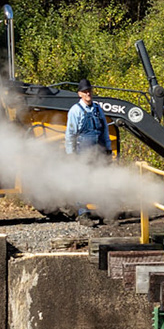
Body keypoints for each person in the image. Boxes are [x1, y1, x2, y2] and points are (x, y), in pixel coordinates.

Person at [64, 79, 111, 222]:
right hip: (83, 152)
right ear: (79, 94)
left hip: (100, 152)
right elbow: (70, 134)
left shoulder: (98, 109)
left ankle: (103, 213)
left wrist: (108, 149)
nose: (88, 93)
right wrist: (70, 154)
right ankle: (83, 214)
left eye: (89, 91)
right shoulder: (75, 111)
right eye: (85, 92)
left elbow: (105, 130)